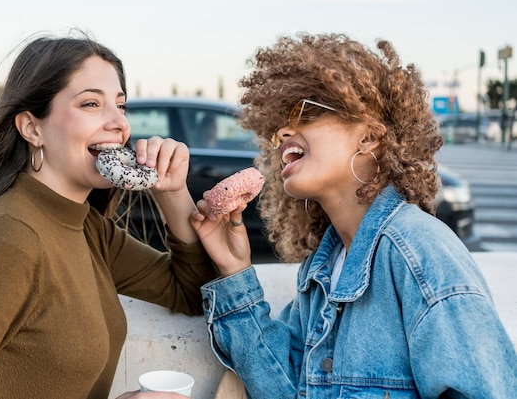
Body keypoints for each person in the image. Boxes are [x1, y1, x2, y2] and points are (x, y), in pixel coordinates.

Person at [190, 33, 517, 398]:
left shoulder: (419, 252)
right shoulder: (323, 268)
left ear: (368, 137)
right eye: (277, 126)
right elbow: (286, 389)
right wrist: (235, 272)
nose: (281, 133)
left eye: (304, 112)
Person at [0, 33, 217, 399]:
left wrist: (173, 192)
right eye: (91, 104)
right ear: (32, 128)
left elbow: (197, 292)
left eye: (121, 106)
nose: (119, 124)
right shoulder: (7, 240)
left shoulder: (87, 227)